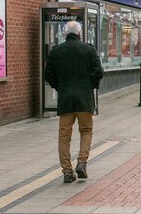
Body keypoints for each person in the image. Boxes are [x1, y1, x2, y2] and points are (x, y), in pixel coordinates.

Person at [44, 21, 104, 183]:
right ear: (80, 33)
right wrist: (91, 85)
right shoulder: (89, 49)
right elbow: (99, 72)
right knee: (86, 130)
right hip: (84, 99)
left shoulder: (56, 51)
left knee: (64, 136)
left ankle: (67, 172)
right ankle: (82, 162)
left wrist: (60, 87)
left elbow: (48, 76)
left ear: (65, 33)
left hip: (65, 100)